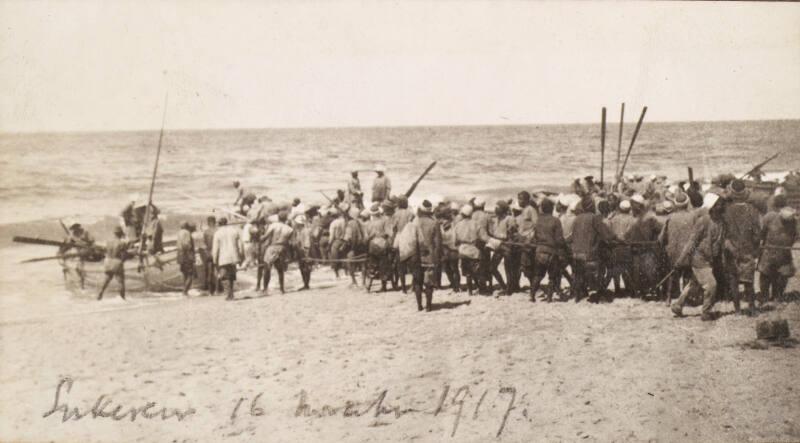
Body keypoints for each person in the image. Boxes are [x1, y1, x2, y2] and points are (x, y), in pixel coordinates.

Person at [671, 192, 727, 321]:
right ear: (712, 206)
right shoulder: (704, 221)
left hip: (710, 258)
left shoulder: (721, 222)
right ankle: (706, 312)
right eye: (718, 204)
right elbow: (692, 241)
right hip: (699, 258)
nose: (721, 206)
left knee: (694, 284)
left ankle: (678, 305)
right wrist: (681, 259)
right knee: (711, 285)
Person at [722, 179, 762, 315]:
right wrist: (755, 247)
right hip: (747, 248)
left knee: (734, 281)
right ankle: (751, 308)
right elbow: (757, 234)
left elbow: (723, 232)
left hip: (731, 248)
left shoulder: (726, 210)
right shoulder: (752, 210)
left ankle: (738, 310)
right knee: (748, 281)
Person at [570, 196, 616, 303]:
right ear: (592, 206)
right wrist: (614, 238)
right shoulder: (595, 218)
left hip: (576, 253)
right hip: (590, 254)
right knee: (601, 269)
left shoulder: (577, 218)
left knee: (579, 274)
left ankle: (578, 296)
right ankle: (600, 294)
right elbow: (606, 234)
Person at [658, 192, 696, 303]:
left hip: (672, 252)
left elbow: (661, 237)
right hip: (688, 252)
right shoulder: (693, 216)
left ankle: (668, 298)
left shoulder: (670, 218)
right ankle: (684, 298)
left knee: (672, 275)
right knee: (687, 275)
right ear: (687, 203)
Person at [758, 200, 797, 302]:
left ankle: (777, 296)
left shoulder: (794, 222)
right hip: (769, 251)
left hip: (784, 253)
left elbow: (795, 236)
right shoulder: (770, 217)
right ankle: (764, 297)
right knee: (765, 274)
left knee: (783, 275)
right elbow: (762, 233)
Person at [529, 198, 567, 302]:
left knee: (538, 275)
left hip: (539, 251)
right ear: (551, 208)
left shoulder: (538, 220)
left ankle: (532, 296)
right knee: (552, 276)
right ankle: (549, 298)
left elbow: (535, 237)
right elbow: (559, 239)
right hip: (551, 252)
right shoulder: (556, 220)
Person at [408, 200, 441, 311]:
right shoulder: (434, 223)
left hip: (416, 255)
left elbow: (411, 240)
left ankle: (419, 306)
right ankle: (429, 306)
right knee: (429, 282)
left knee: (417, 281)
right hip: (430, 255)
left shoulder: (414, 222)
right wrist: (438, 258)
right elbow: (438, 243)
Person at [606, 199, 636, 295]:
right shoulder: (632, 220)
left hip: (615, 246)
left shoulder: (613, 219)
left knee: (616, 269)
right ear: (629, 209)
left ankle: (617, 288)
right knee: (628, 269)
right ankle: (629, 288)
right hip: (627, 247)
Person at [58, 221, 98, 290]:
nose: (76, 230)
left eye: (77, 228)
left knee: (80, 263)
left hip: (85, 253)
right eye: (74, 229)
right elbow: (63, 248)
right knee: (74, 261)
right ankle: (78, 282)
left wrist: (88, 246)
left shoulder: (85, 233)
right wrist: (61, 256)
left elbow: (92, 242)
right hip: (77, 255)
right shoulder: (70, 237)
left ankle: (81, 283)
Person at [261, 211, 294, 293]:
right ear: (286, 219)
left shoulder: (273, 225)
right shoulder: (289, 229)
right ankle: (282, 289)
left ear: (278, 218)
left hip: (272, 247)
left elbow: (265, 237)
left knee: (267, 268)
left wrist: (260, 237)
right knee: (280, 270)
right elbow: (291, 242)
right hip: (282, 248)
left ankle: (265, 289)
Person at [212, 217, 245, 301]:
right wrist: (241, 256)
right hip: (234, 256)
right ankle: (231, 294)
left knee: (223, 276)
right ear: (226, 223)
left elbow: (215, 249)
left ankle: (229, 295)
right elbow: (241, 245)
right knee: (231, 276)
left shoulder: (217, 233)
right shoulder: (234, 231)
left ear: (219, 224)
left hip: (223, 257)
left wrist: (214, 260)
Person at [365, 203, 393, 292]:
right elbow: (389, 233)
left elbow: (367, 237)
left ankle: (368, 286)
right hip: (382, 245)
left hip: (372, 245)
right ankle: (383, 286)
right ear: (379, 213)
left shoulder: (369, 224)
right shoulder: (384, 221)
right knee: (383, 266)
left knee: (372, 265)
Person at [454, 205, 481, 295]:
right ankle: (479, 286)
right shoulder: (476, 223)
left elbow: (455, 239)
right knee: (475, 270)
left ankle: (470, 291)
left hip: (463, 250)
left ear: (462, 214)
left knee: (467, 272)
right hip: (473, 249)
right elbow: (481, 237)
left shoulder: (458, 225)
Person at [488, 200, 512, 295]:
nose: (495, 209)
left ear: (503, 209)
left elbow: (511, 233)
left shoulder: (509, 219)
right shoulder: (496, 219)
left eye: (498, 207)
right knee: (492, 268)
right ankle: (503, 286)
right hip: (498, 245)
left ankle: (509, 289)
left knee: (508, 268)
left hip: (506, 245)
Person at [98, 226, 128, 301]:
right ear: (121, 234)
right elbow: (124, 255)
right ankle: (123, 299)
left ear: (114, 233)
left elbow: (104, 251)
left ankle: (100, 294)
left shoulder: (108, 242)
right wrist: (123, 261)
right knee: (121, 282)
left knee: (106, 280)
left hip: (107, 261)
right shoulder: (122, 243)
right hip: (116, 261)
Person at [471, 197, 492, 294]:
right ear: (483, 206)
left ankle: (478, 285)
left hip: (473, 243)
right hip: (484, 243)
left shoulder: (471, 215)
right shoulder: (487, 216)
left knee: (475, 265)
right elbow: (491, 231)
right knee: (485, 264)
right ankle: (487, 286)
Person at [343, 206, 366, 286]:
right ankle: (363, 281)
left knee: (349, 262)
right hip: (362, 246)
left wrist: (343, 246)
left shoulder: (350, 224)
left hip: (354, 247)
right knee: (363, 263)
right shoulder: (361, 222)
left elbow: (347, 237)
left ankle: (354, 281)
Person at [292, 215, 314, 290]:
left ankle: (306, 284)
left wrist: (306, 254)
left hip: (305, 251)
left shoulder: (305, 231)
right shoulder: (299, 231)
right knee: (302, 268)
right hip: (301, 251)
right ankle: (305, 284)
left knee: (306, 268)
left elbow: (307, 243)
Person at [176, 222, 196, 295]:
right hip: (187, 256)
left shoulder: (179, 233)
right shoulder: (187, 233)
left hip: (180, 256)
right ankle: (185, 291)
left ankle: (185, 291)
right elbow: (186, 244)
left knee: (185, 274)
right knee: (190, 274)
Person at [328, 204, 348, 278]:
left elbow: (332, 236)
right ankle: (346, 273)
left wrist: (329, 244)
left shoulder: (333, 223)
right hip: (344, 240)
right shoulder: (344, 221)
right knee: (344, 257)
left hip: (336, 241)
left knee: (335, 258)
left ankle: (337, 275)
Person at [201, 216, 219, 294]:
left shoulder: (206, 232)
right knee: (217, 271)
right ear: (215, 222)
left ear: (208, 223)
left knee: (209, 271)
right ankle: (217, 290)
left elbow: (204, 243)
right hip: (217, 252)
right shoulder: (218, 231)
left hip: (209, 252)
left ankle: (210, 291)